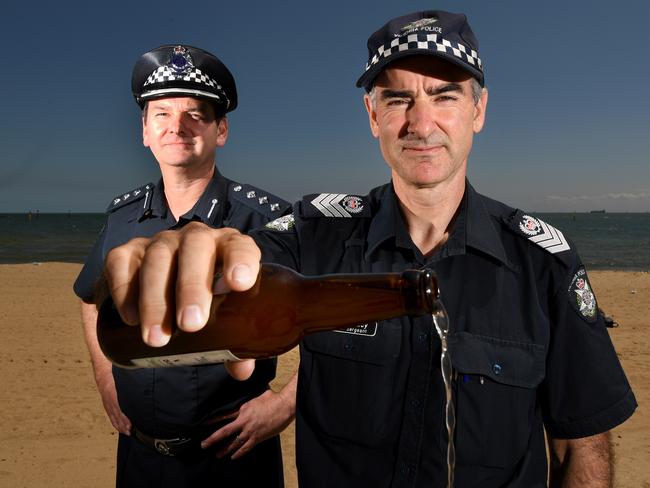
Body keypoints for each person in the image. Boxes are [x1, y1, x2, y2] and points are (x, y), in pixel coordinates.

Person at [101, 11, 637, 488]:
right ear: (372, 114)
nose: (421, 123)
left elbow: (579, 445)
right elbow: (243, 254)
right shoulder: (316, 232)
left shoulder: (543, 261)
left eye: (445, 95)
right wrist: (197, 253)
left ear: (479, 110)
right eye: (398, 97)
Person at [73, 44, 292, 487]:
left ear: (221, 130)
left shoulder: (265, 221)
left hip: (233, 462)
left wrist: (285, 405)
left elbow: (343, 329)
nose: (178, 127)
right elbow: (91, 300)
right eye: (162, 114)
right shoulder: (122, 218)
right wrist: (105, 380)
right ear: (145, 131)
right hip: (140, 458)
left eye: (196, 115)